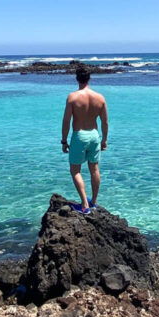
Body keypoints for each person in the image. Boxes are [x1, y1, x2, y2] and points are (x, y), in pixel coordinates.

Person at [61, 64, 108, 213]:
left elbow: (66, 121)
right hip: (94, 135)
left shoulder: (72, 97)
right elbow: (105, 122)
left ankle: (84, 205)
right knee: (94, 168)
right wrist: (104, 140)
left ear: (77, 78)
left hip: (79, 135)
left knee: (75, 170)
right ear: (90, 78)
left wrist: (64, 141)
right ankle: (93, 202)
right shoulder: (100, 98)